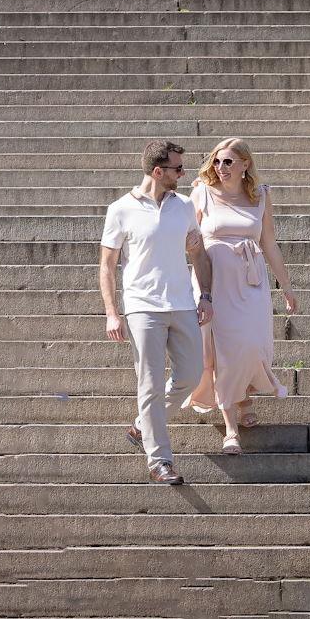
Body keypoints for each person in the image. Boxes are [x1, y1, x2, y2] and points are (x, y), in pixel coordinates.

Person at [99, 138, 213, 486]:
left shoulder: (183, 205)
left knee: (191, 376)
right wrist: (111, 312)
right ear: (158, 171)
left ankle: (140, 425)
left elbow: (198, 254)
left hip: (181, 303)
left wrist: (205, 295)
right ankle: (160, 460)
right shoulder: (121, 209)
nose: (183, 173)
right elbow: (107, 265)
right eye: (178, 168)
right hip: (142, 307)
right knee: (149, 385)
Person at [182, 136, 296, 452]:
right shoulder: (201, 193)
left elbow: (269, 243)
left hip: (251, 282)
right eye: (216, 161)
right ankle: (230, 426)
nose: (221, 168)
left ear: (245, 164)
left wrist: (286, 287)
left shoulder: (260, 196)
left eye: (228, 161)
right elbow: (187, 239)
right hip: (214, 282)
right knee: (220, 351)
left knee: (250, 346)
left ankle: (243, 396)